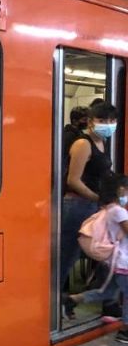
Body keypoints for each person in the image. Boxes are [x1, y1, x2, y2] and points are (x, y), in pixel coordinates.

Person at [60, 102, 117, 318]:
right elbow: (73, 181)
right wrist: (98, 198)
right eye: (103, 120)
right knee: (68, 256)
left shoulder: (102, 142)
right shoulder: (83, 144)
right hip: (77, 206)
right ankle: (57, 302)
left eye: (112, 121)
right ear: (91, 121)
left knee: (108, 254)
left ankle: (105, 302)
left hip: (94, 206)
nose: (108, 125)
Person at [70, 173, 128, 344]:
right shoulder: (118, 211)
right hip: (123, 262)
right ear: (120, 190)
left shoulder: (110, 209)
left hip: (117, 263)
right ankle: (125, 331)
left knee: (108, 292)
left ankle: (72, 299)